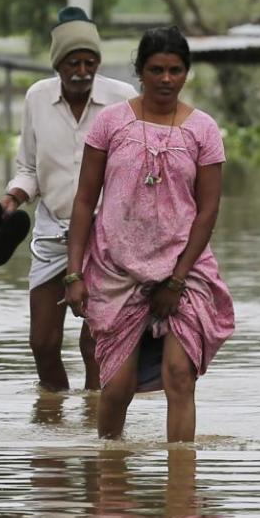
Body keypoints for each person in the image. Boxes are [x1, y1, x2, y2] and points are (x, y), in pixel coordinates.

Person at [65, 26, 235, 442]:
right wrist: (74, 274)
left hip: (185, 268)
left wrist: (176, 280)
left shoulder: (203, 130)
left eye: (175, 70)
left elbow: (208, 210)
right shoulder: (110, 122)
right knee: (117, 388)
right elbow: (85, 200)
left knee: (180, 377)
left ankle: (181, 492)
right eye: (156, 69)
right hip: (116, 269)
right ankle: (109, 478)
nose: (165, 79)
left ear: (186, 73)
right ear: (140, 71)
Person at [2, 7, 137, 392]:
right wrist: (12, 199)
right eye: (73, 63)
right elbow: (28, 169)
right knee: (42, 343)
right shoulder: (37, 98)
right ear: (57, 64)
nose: (82, 71)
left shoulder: (122, 99)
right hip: (52, 230)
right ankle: (53, 418)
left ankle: (98, 428)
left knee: (94, 344)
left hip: (106, 234)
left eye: (89, 62)